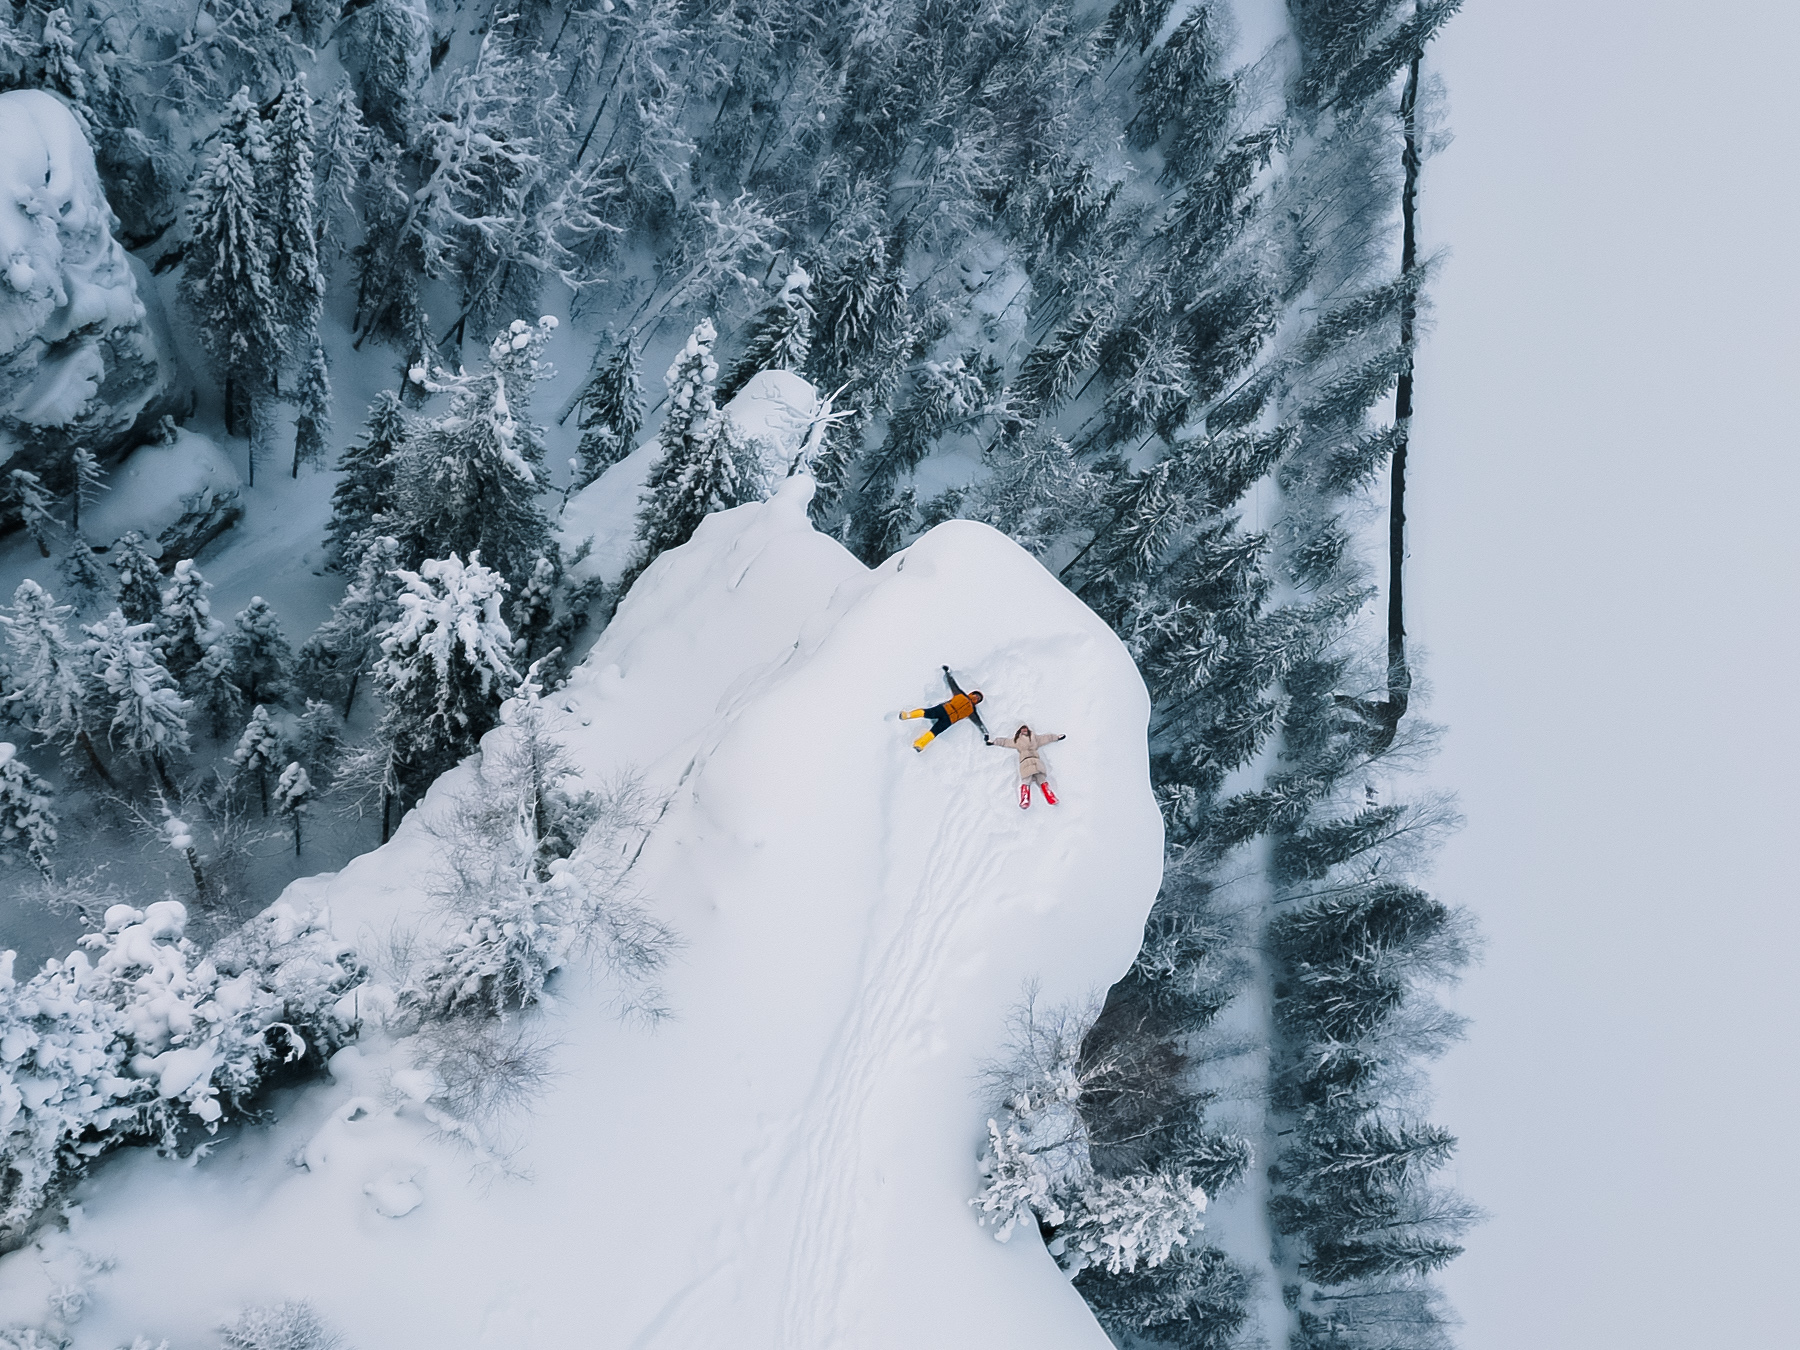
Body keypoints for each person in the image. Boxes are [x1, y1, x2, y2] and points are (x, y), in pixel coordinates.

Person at [899, 666, 988, 752]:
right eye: (976, 695)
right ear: (972, 693)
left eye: (978, 699)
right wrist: (947, 672)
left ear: (977, 702)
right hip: (943, 709)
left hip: (949, 720)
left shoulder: (972, 711)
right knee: (926, 713)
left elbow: (979, 723)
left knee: (935, 732)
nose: (976, 698)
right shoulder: (960, 694)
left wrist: (985, 734)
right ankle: (907, 715)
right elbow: (953, 684)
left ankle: (920, 744)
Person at [988, 724, 1065, 809]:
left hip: (1036, 761)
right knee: (1026, 779)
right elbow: (1005, 742)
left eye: (1025, 729)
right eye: (1022, 729)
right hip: (1025, 761)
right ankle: (1025, 799)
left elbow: (1046, 738)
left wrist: (1057, 737)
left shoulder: (1035, 739)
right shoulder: (1017, 740)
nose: (1024, 730)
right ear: (1019, 731)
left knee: (1042, 779)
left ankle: (1050, 796)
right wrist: (994, 742)